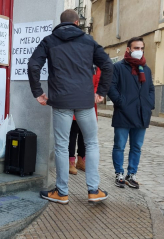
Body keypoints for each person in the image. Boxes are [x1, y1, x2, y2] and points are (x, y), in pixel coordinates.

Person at [28, 9, 113, 204]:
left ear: (61, 23)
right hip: (85, 102)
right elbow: (108, 65)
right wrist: (101, 92)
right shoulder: (89, 41)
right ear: (77, 23)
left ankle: (62, 192)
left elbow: (33, 65)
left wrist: (37, 92)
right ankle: (93, 190)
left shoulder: (49, 40)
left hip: (61, 102)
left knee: (61, 146)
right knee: (91, 144)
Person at [107, 37, 155, 189]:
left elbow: (151, 89)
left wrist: (149, 104)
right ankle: (119, 173)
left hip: (141, 113)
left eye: (141, 48)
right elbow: (111, 87)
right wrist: (121, 102)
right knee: (119, 145)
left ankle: (131, 174)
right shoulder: (119, 67)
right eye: (136, 48)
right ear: (128, 49)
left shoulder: (145, 69)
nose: (139, 51)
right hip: (124, 113)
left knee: (136, 147)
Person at [69, 66, 101, 175]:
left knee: (84, 134)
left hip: (89, 104)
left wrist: (94, 95)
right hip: (75, 102)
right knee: (72, 133)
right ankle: (70, 161)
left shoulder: (96, 67)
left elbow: (98, 82)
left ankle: (81, 160)